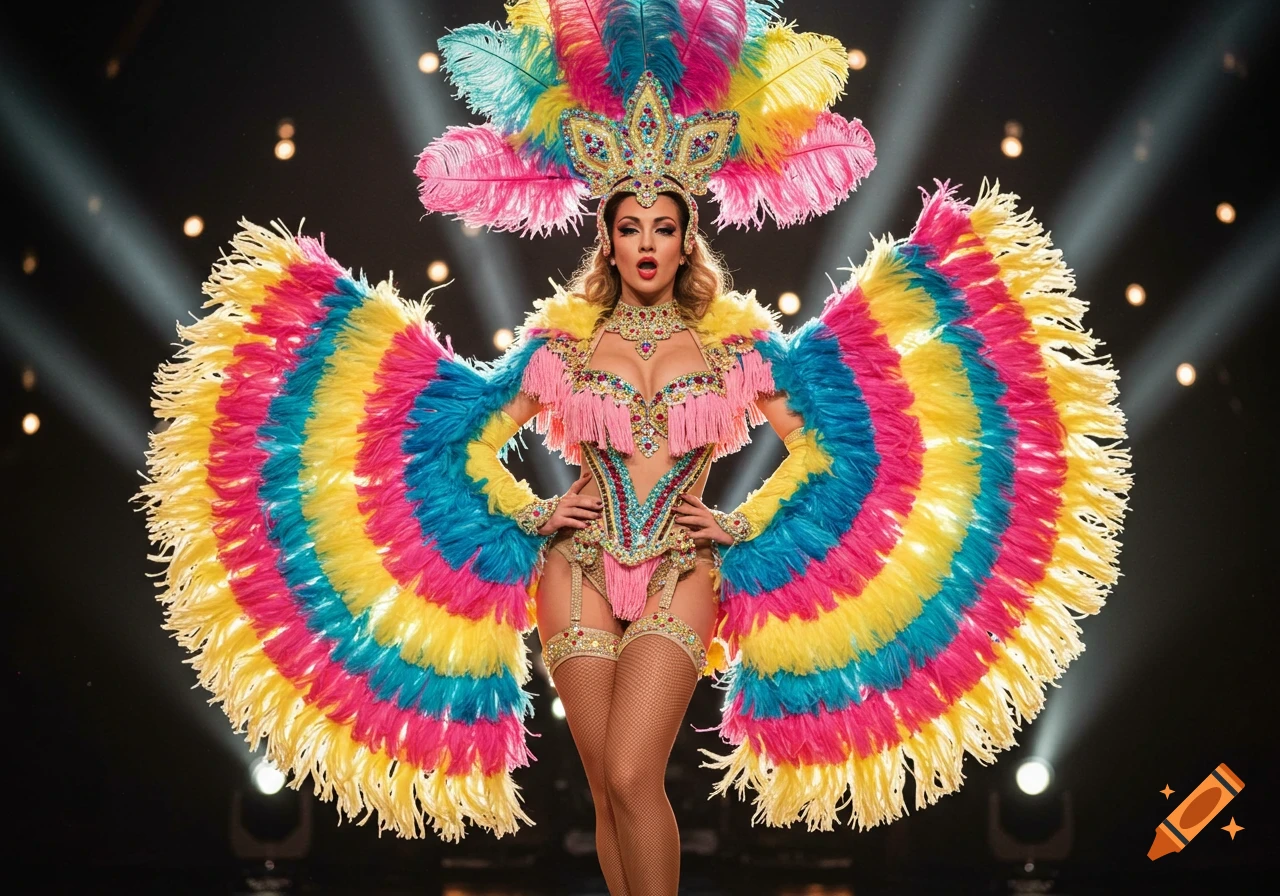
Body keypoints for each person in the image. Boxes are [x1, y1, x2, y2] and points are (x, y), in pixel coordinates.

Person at [139, 4, 1130, 895]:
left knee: (629, 772)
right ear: (605, 238)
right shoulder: (560, 343)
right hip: (571, 567)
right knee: (607, 795)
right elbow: (460, 443)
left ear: (684, 234)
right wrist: (534, 512)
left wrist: (739, 522)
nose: (646, 241)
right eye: (628, 227)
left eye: (663, 225)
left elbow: (824, 448)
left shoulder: (736, 340)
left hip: (681, 567)